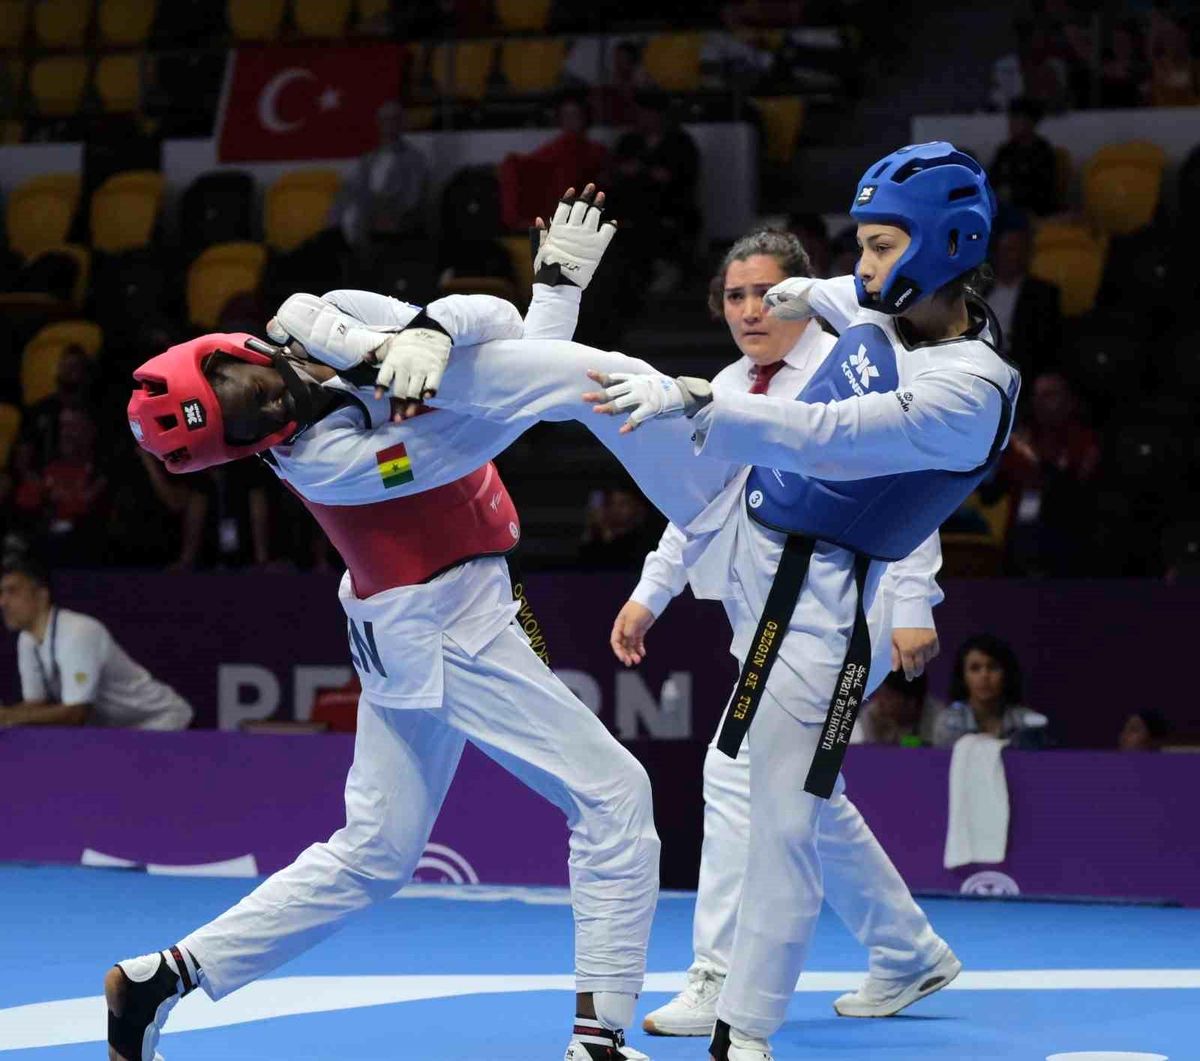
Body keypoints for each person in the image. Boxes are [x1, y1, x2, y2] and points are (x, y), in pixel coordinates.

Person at [111, 187, 689, 1061]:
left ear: (230, 349)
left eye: (245, 386)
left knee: (374, 853)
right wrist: (554, 295)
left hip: (421, 615)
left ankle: (160, 978)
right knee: (614, 796)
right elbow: (507, 406)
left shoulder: (324, 320)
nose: (268, 406)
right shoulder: (326, 462)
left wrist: (425, 329)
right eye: (246, 424)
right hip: (441, 626)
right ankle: (597, 1041)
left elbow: (492, 325)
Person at [584, 141, 1021, 1061]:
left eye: (882, 246)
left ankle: (741, 1020)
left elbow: (825, 436)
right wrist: (794, 294)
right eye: (862, 245)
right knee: (790, 792)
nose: (865, 266)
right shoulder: (884, 304)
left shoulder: (968, 391)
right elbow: (833, 295)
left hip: (819, 602)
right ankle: (903, 952)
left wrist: (692, 399)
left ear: (945, 246)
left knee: (779, 814)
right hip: (759, 555)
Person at [609, 229, 951, 1038]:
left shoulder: (854, 365)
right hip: (765, 617)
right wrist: (650, 592)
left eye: (766, 293)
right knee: (804, 793)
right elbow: (699, 506)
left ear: (803, 294)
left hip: (845, 614)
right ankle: (907, 950)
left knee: (735, 772)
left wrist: (914, 600)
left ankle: (718, 976)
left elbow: (910, 482)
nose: (750, 311)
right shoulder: (730, 384)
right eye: (735, 296)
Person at [0, 552, 192, 729]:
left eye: (13, 591)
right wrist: (7, 714)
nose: (3, 602)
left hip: (164, 720)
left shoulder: (78, 632)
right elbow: (35, 704)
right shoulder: (27, 639)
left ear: (42, 596)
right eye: (2, 593)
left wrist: (9, 716)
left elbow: (76, 714)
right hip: (120, 731)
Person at [328, 99, 430, 259]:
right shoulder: (369, 158)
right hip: (367, 212)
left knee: (358, 219)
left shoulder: (414, 158)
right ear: (378, 123)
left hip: (393, 214)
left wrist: (387, 212)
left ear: (402, 123)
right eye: (384, 120)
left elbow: (412, 198)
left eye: (394, 119)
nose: (389, 125)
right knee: (344, 211)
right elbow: (352, 188)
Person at [932, 633, 1046, 748]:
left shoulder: (1026, 722)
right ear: (963, 677)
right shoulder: (950, 722)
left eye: (993, 667)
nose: (984, 675)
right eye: (975, 668)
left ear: (1006, 674)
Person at [986, 212, 1062, 381]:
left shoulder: (1043, 294)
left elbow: (1044, 347)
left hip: (1020, 372)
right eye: (1007, 250)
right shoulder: (980, 290)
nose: (1011, 256)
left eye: (1017, 250)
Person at [989, 96, 1059, 217]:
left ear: (1031, 122)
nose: (1011, 124)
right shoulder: (1005, 151)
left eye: (1017, 119)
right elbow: (992, 179)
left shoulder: (1042, 152)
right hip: (1002, 207)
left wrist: (1013, 193)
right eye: (1011, 119)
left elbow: (1044, 192)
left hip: (1030, 212)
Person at [852, 669, 930, 746]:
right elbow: (872, 751)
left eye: (888, 697)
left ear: (911, 703)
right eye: (881, 693)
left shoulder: (935, 722)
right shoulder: (871, 714)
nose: (880, 701)